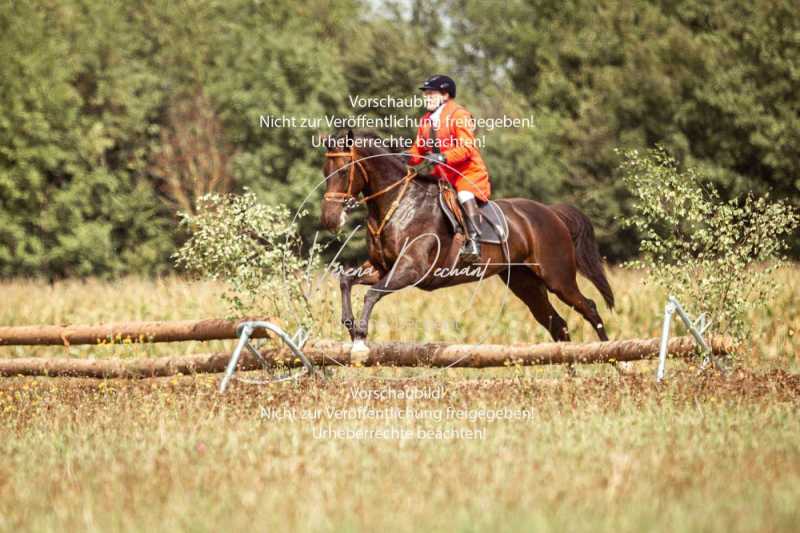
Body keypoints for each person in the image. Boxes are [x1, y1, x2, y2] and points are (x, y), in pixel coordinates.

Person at [407, 75, 491, 263]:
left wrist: (443, 156)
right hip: (443, 176)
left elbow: (467, 147)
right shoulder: (426, 120)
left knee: (464, 195)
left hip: (467, 173)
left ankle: (475, 243)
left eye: (431, 94)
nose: (426, 97)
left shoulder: (459, 115)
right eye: (425, 94)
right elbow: (417, 150)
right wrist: (404, 156)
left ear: (445, 95)